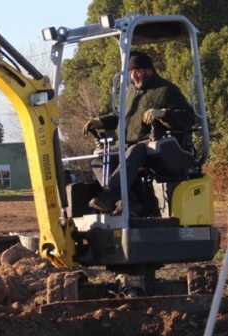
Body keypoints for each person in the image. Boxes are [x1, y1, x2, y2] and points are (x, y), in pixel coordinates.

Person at [82, 51, 197, 215]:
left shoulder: (166, 89)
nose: (133, 76)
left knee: (133, 151)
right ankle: (129, 203)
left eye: (137, 71)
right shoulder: (130, 92)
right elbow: (123, 117)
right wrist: (101, 122)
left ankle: (109, 195)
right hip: (127, 144)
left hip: (158, 145)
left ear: (149, 71)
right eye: (130, 72)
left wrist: (163, 113)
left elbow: (188, 116)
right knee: (99, 158)